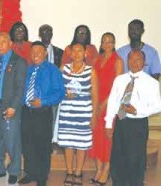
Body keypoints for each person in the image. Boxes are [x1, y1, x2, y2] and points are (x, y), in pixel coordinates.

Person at [105, 49, 161, 186]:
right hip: (121, 122)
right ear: (127, 61)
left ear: (144, 62)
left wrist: (137, 111)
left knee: (135, 159)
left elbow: (157, 106)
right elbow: (112, 101)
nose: (134, 62)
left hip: (138, 124)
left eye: (138, 59)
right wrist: (108, 123)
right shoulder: (120, 79)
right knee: (118, 158)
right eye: (131, 59)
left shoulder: (152, 83)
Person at [18, 41, 65, 186]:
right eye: (33, 52)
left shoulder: (53, 70)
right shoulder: (29, 69)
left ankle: (41, 177)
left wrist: (43, 101)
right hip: (26, 112)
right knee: (28, 144)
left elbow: (59, 92)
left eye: (39, 52)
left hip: (42, 113)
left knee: (42, 146)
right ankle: (30, 173)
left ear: (45, 53)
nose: (35, 55)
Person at [0, 32, 27, 184]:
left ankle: (14, 170)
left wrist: (14, 107)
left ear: (10, 43)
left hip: (9, 108)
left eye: (3, 42)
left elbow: (20, 87)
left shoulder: (19, 61)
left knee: (12, 140)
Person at [57, 42, 98, 186]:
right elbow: (57, 90)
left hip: (84, 113)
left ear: (85, 53)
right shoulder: (64, 69)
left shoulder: (90, 70)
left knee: (81, 145)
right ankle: (69, 172)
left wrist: (94, 116)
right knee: (68, 144)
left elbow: (95, 95)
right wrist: (63, 93)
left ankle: (78, 173)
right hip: (67, 113)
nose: (76, 54)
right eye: (74, 51)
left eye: (79, 51)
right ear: (70, 53)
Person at [87, 32, 123, 185]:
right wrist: (95, 104)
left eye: (110, 42)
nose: (107, 44)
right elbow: (91, 84)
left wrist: (105, 103)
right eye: (104, 42)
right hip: (96, 103)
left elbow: (118, 86)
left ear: (114, 44)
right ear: (101, 44)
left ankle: (106, 170)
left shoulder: (118, 61)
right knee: (97, 137)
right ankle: (98, 169)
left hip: (111, 105)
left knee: (108, 140)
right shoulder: (97, 60)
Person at [38, 24, 64, 146]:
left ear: (52, 34)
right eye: (43, 32)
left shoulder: (60, 52)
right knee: (37, 119)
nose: (46, 34)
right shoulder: (35, 51)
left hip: (53, 91)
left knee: (52, 117)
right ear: (40, 35)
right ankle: (38, 142)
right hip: (38, 91)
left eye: (49, 32)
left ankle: (48, 142)